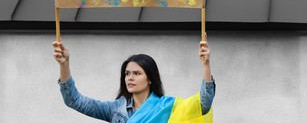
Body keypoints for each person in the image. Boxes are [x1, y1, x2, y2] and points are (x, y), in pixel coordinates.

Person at [53, 39, 215, 122]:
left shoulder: (168, 106)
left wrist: (206, 65)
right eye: (127, 73)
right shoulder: (115, 110)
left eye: (137, 73)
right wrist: (64, 64)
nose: (130, 77)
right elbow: (73, 101)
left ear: (150, 78)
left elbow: (203, 104)